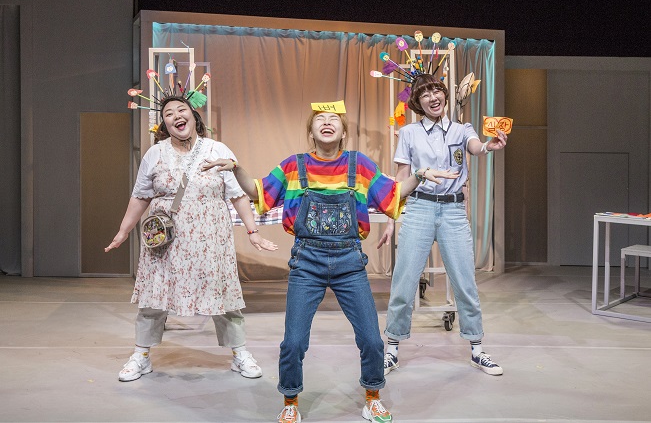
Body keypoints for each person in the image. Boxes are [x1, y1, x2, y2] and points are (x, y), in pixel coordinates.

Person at [203, 101, 459, 423]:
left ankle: (372, 397)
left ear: (343, 131)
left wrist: (419, 175)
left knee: (372, 339)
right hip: (306, 263)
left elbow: (393, 193)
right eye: (320, 119)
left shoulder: (359, 165)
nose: (327, 123)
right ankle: (290, 400)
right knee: (293, 342)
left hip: (349, 263)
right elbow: (257, 191)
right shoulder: (294, 165)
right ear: (311, 131)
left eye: (334, 119)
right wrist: (235, 167)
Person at [105, 95, 277, 382]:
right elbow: (140, 196)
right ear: (165, 124)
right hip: (166, 241)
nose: (176, 116)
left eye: (181, 110)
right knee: (153, 297)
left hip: (211, 240)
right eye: (169, 113)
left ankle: (240, 354)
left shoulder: (217, 149)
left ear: (194, 117)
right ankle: (141, 356)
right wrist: (123, 231)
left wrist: (253, 232)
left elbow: (237, 195)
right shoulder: (155, 153)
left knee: (223, 296)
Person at [377, 73, 508, 377]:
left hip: (452, 211)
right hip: (419, 208)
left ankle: (477, 350)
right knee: (403, 281)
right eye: (425, 94)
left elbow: (476, 147)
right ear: (417, 103)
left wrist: (489, 146)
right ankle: (392, 350)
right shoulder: (408, 133)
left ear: (445, 95)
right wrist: (391, 219)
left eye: (437, 90)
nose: (433, 97)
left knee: (465, 282)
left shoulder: (462, 129)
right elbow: (401, 179)